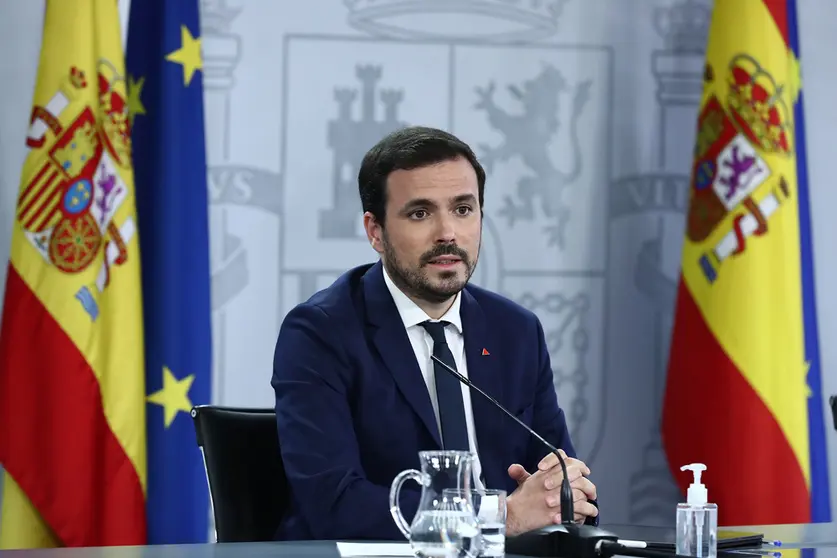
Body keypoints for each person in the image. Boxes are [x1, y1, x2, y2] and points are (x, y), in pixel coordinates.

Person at [271, 126, 598, 541]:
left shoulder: (515, 331)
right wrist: (501, 515)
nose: (447, 233)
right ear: (375, 231)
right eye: (420, 213)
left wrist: (567, 495)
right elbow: (334, 504)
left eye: (463, 209)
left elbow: (558, 480)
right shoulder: (320, 333)